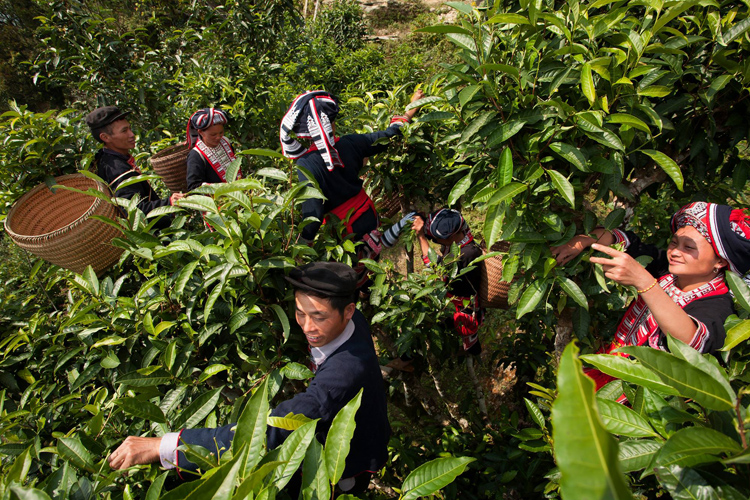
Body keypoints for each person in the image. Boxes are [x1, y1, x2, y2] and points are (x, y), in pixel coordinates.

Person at [108, 262, 390, 495]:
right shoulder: (353, 323)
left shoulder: (343, 374)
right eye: (300, 313)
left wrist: (167, 446)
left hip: (347, 467)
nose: (307, 327)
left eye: (318, 317)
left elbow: (270, 432)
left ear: (348, 311)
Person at [551, 201, 750, 392]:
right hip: (609, 369)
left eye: (688, 247)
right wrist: (584, 240)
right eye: (674, 242)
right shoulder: (668, 270)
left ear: (720, 261)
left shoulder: (718, 304)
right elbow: (625, 242)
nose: (675, 252)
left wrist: (644, 281)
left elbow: (691, 343)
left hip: (642, 400)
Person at [279, 89, 425, 286]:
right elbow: (390, 135)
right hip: (368, 217)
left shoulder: (306, 164)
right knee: (371, 268)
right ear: (331, 123)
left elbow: (312, 216)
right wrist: (411, 108)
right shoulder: (350, 143)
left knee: (348, 279)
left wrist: (301, 253)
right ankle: (369, 291)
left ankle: (360, 301)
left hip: (345, 233)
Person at [86, 106, 185, 229]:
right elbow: (133, 212)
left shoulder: (105, 158)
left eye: (130, 129)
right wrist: (169, 203)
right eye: (124, 131)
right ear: (105, 137)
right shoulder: (117, 169)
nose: (132, 134)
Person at [412, 209, 484, 355]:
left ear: (449, 238)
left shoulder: (461, 256)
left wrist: (421, 237)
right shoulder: (464, 235)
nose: (435, 241)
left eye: (436, 239)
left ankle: (471, 350)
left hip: (464, 302)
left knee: (466, 328)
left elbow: (434, 265)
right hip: (468, 291)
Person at [185, 108, 242, 191]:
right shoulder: (196, 155)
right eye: (213, 135)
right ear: (200, 132)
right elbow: (193, 187)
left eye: (221, 133)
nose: (218, 137)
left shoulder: (225, 142)